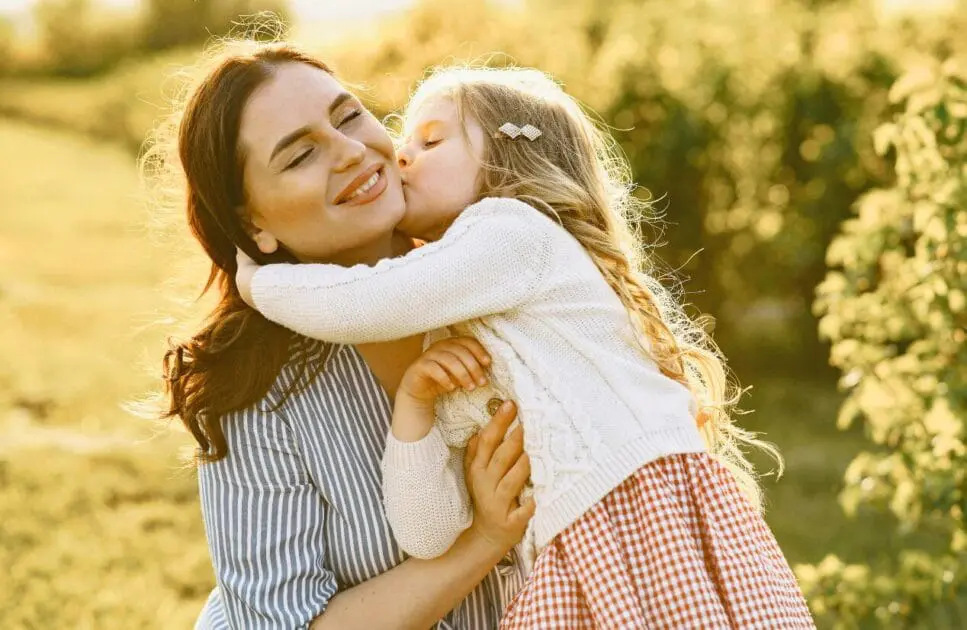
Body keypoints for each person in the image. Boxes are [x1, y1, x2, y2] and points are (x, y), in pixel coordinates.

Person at [236, 66, 816, 628]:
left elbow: (366, 302)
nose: (401, 155)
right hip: (576, 569)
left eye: (431, 141)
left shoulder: (514, 231)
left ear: (505, 162)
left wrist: (259, 283)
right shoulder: (455, 336)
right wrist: (414, 407)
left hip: (642, 528)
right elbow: (427, 533)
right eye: (407, 138)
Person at [148, 41, 535, 629]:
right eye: (301, 155)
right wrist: (482, 541)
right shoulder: (251, 389)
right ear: (254, 224)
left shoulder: (506, 272)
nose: (352, 151)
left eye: (349, 116)